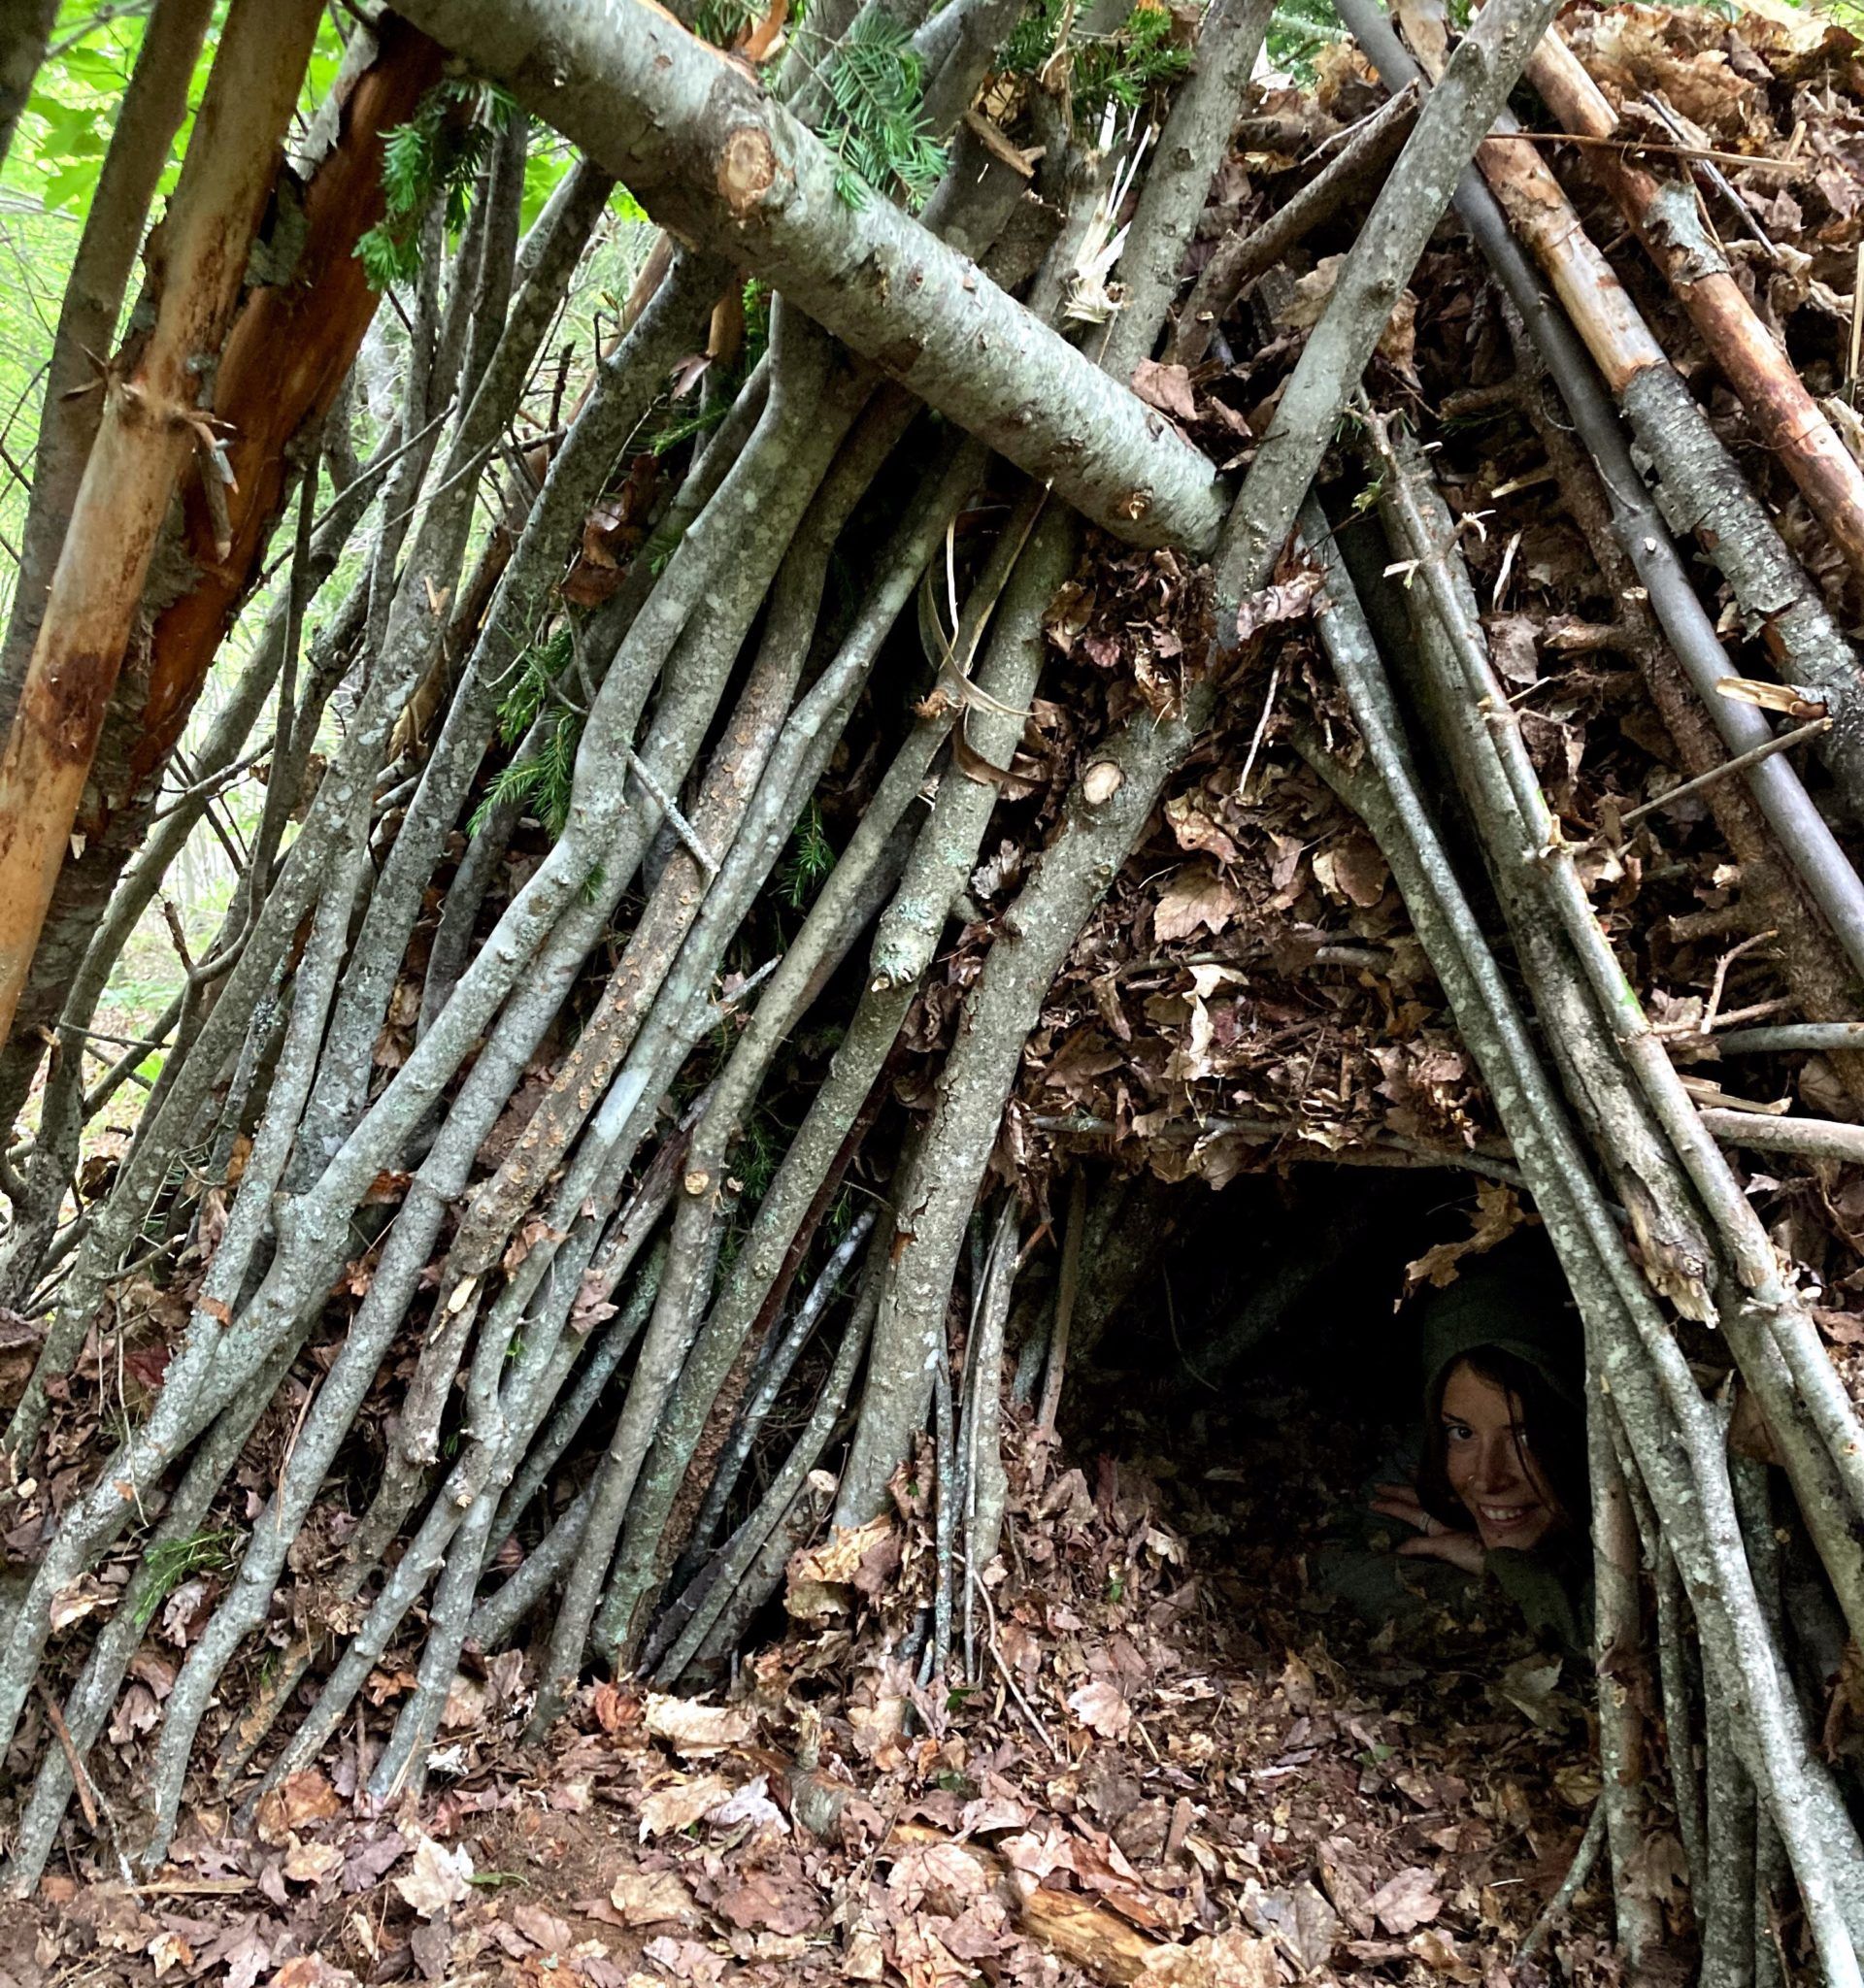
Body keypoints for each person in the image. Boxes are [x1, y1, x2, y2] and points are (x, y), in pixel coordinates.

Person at [1368, 1262, 1592, 1659]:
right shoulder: (1430, 1455)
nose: (1489, 1479)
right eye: (1463, 1433)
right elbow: (1340, 1560)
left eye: (1526, 1437)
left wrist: (1507, 1574)